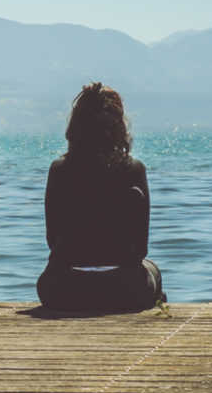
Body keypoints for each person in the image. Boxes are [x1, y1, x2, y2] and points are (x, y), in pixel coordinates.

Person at [37, 82, 164, 311]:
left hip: (64, 288)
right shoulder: (134, 170)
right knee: (152, 269)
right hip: (124, 288)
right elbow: (141, 250)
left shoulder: (59, 170)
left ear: (75, 126)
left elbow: (52, 241)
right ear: (119, 127)